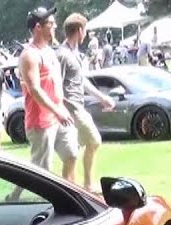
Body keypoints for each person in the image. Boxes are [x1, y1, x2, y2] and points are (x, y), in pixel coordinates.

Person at [56, 13, 116, 191]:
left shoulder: (75, 54)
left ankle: (82, 186)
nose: (86, 34)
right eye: (86, 30)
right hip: (70, 109)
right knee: (84, 145)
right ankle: (76, 188)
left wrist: (101, 97)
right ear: (80, 30)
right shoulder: (62, 55)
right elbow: (56, 84)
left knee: (83, 146)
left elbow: (81, 80)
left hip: (78, 107)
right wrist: (61, 108)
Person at [17, 7, 71, 174]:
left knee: (72, 154)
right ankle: (16, 198)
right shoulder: (30, 55)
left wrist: (61, 108)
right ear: (38, 27)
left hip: (57, 116)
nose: (55, 26)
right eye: (51, 23)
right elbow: (35, 89)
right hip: (41, 121)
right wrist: (57, 111)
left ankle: (69, 196)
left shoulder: (49, 51)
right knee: (41, 170)